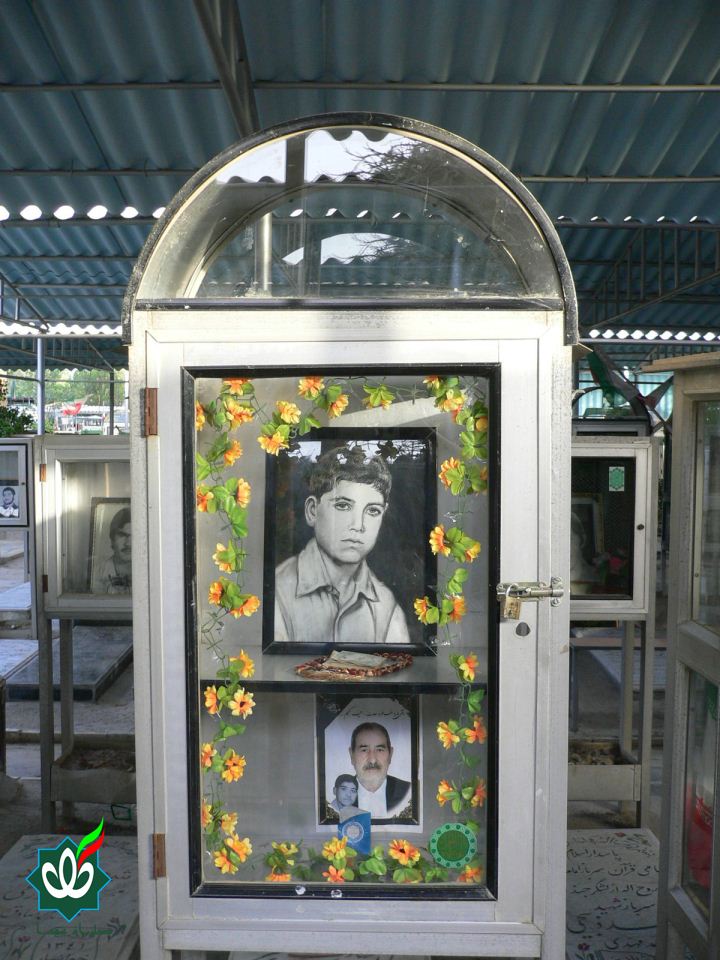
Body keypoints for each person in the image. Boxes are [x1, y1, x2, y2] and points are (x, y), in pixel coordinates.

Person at [274, 445, 410, 644]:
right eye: (343, 506)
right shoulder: (278, 591)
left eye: (372, 511)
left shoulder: (386, 606)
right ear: (312, 511)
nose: (358, 526)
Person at [348, 721, 410, 819]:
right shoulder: (338, 798)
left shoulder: (409, 792)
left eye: (380, 750)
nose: (372, 760)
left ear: (390, 755)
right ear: (352, 755)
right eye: (364, 750)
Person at [93, 506, 132, 594]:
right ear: (112, 539)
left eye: (134, 536)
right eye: (122, 535)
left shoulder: (154, 572)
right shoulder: (97, 573)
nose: (128, 543)